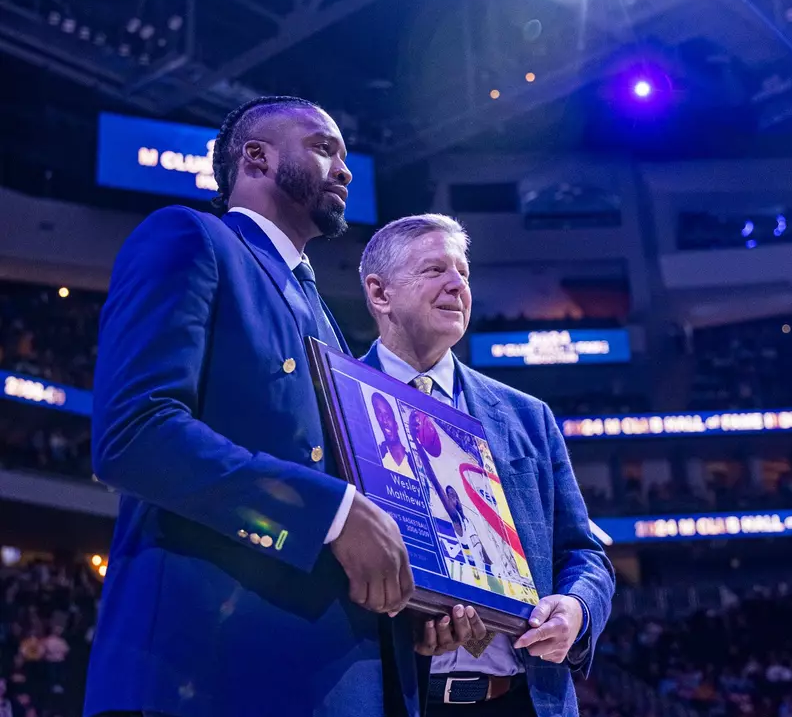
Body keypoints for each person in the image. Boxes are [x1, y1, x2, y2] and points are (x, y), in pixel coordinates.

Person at [84, 96, 481, 717]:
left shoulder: (326, 320)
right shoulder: (192, 237)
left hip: (335, 676)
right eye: (325, 149)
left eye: (345, 155)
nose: (344, 169)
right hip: (211, 672)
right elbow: (134, 434)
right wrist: (331, 511)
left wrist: (417, 601)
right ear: (257, 157)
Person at [359, 214, 615, 717]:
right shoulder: (335, 402)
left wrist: (577, 610)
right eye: (434, 270)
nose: (457, 285)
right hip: (398, 700)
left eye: (463, 273)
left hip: (523, 701)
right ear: (380, 293)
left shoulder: (527, 415)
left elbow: (585, 553)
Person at [372, 391, 417, 478]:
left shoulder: (414, 462)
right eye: (380, 416)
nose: (384, 421)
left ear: (396, 424)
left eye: (387, 416)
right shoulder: (378, 456)